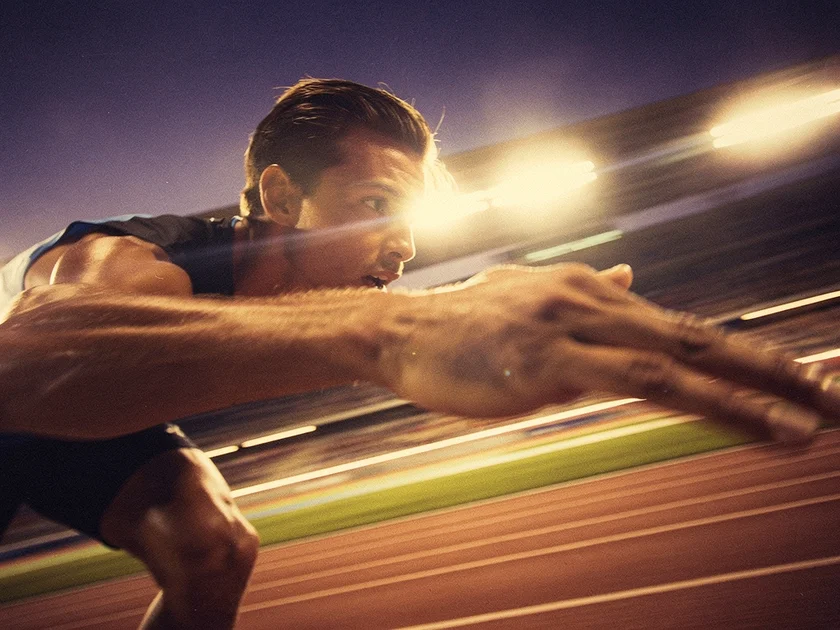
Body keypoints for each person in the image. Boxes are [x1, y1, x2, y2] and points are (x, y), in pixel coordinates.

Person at [0, 78, 838, 629]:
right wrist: (397, 332)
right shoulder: (131, 255)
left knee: (214, 547)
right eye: (374, 204)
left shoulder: (317, 290)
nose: (401, 247)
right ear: (281, 195)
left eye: (409, 220)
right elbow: (26, 367)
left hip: (76, 419)